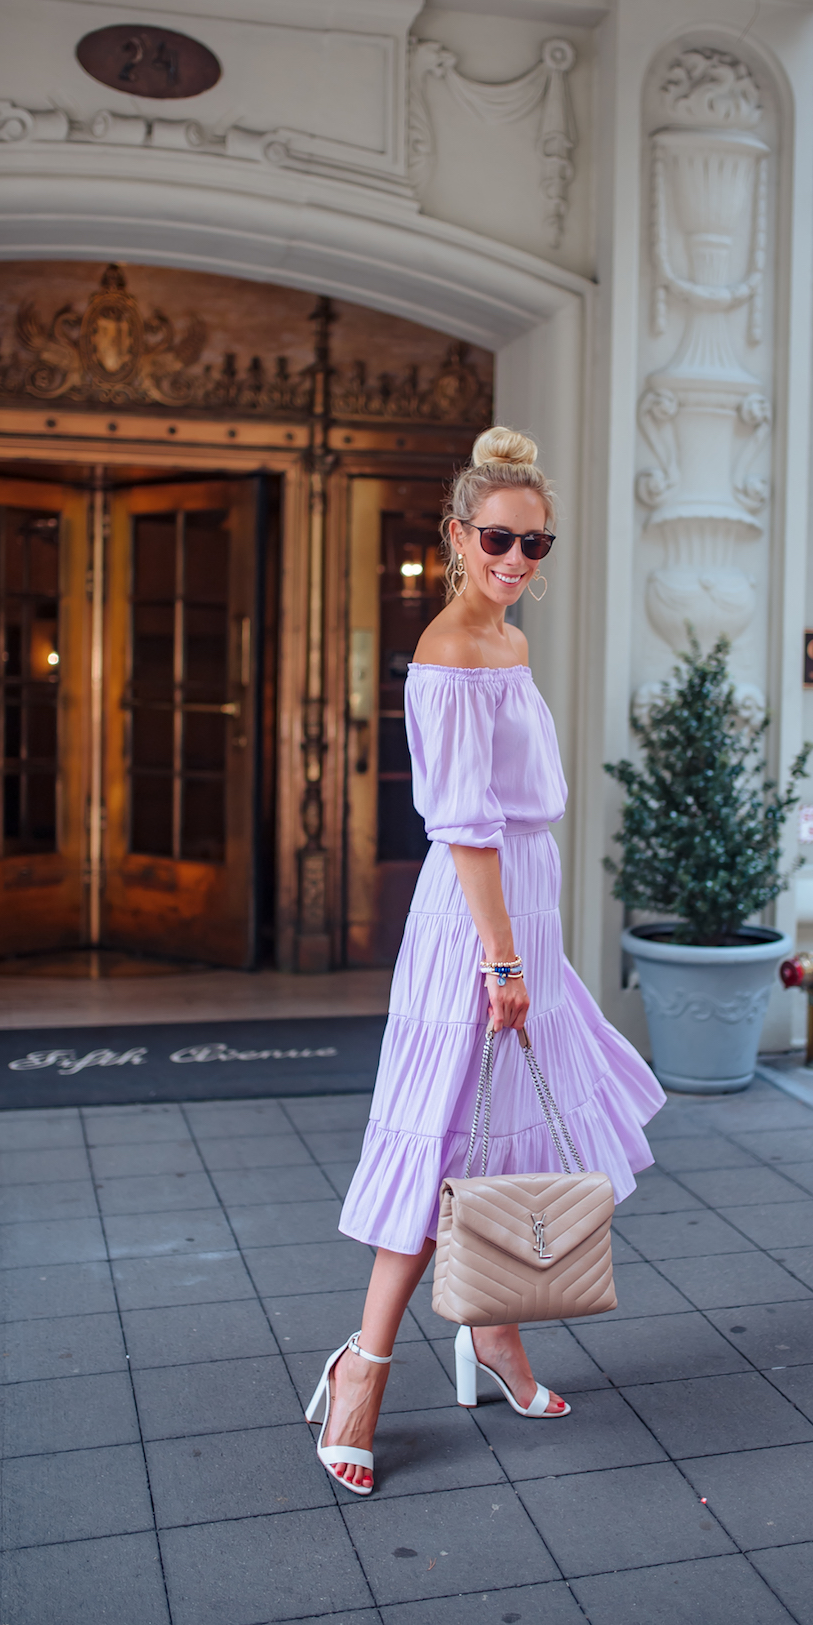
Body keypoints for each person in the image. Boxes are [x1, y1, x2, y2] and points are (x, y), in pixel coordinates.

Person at [305, 425, 665, 1494]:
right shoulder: (452, 650)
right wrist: (502, 965)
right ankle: (362, 1369)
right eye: (500, 540)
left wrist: (527, 954)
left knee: (505, 1141)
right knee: (440, 1146)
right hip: (480, 921)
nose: (516, 562)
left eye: (537, 544)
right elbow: (464, 827)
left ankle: (496, 1335)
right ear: (457, 535)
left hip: (525, 912)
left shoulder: (506, 641)